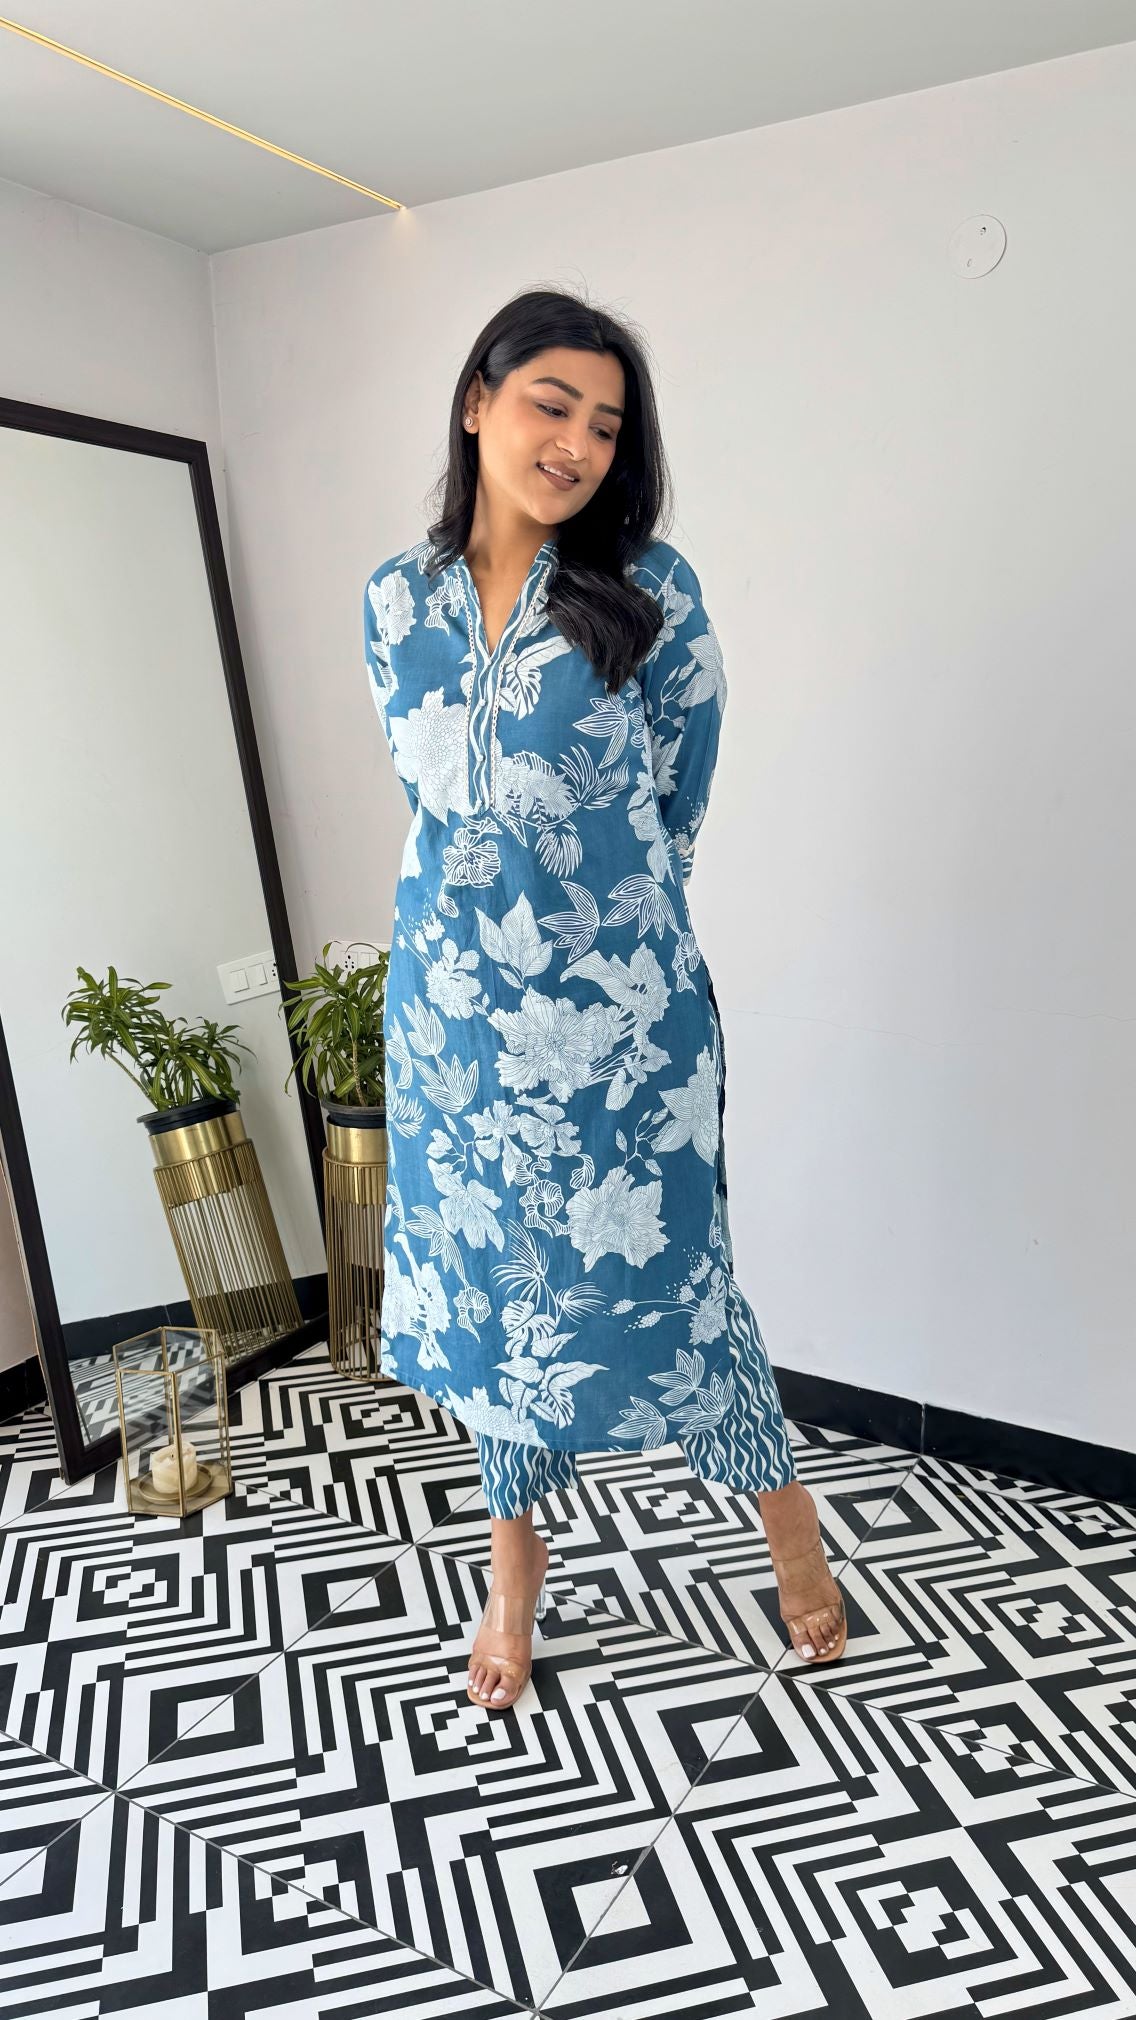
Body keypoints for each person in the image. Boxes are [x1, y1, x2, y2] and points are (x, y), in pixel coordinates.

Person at [363, 286, 846, 1711]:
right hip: (451, 1029)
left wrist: (596, 947)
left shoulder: (652, 591)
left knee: (681, 1287)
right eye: (550, 404)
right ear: (478, 402)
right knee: (500, 1315)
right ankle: (512, 1580)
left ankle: (791, 1531)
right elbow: (430, 808)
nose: (576, 442)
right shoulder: (395, 601)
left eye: (606, 423)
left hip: (622, 1027)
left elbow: (678, 805)